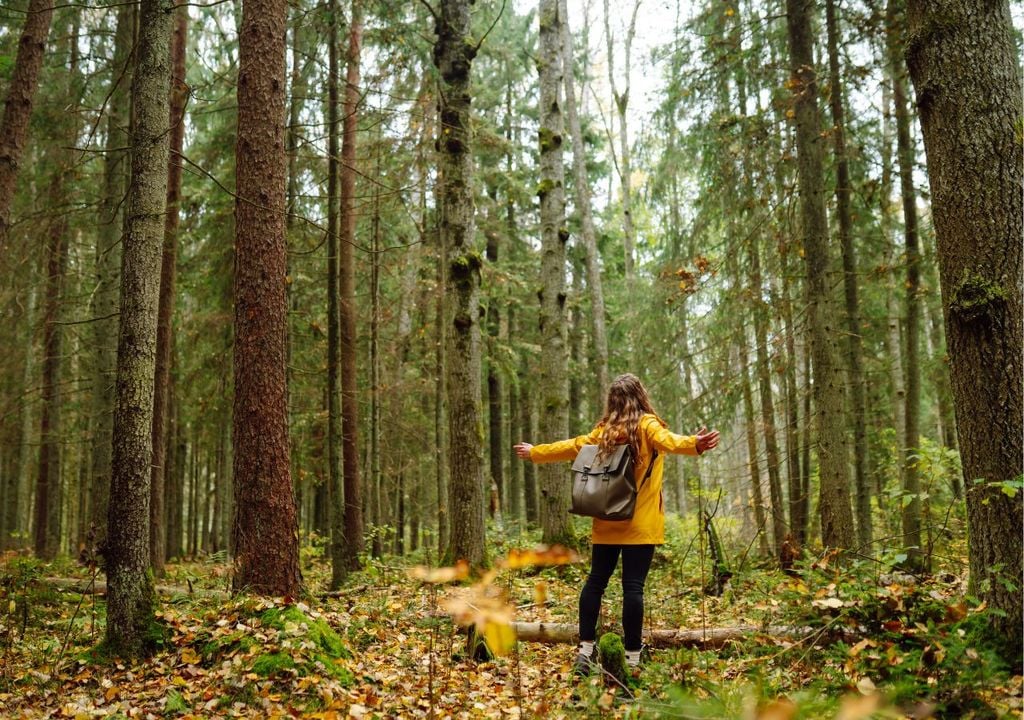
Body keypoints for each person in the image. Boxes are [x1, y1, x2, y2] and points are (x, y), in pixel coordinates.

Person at [513, 373, 720, 676]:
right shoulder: (648, 425)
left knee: (595, 582)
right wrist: (696, 444)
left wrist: (535, 452)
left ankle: (585, 651)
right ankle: (633, 658)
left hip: (607, 518)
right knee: (633, 587)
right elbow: (672, 442)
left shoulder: (604, 432)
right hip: (640, 523)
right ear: (640, 396)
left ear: (613, 401)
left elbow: (570, 446)